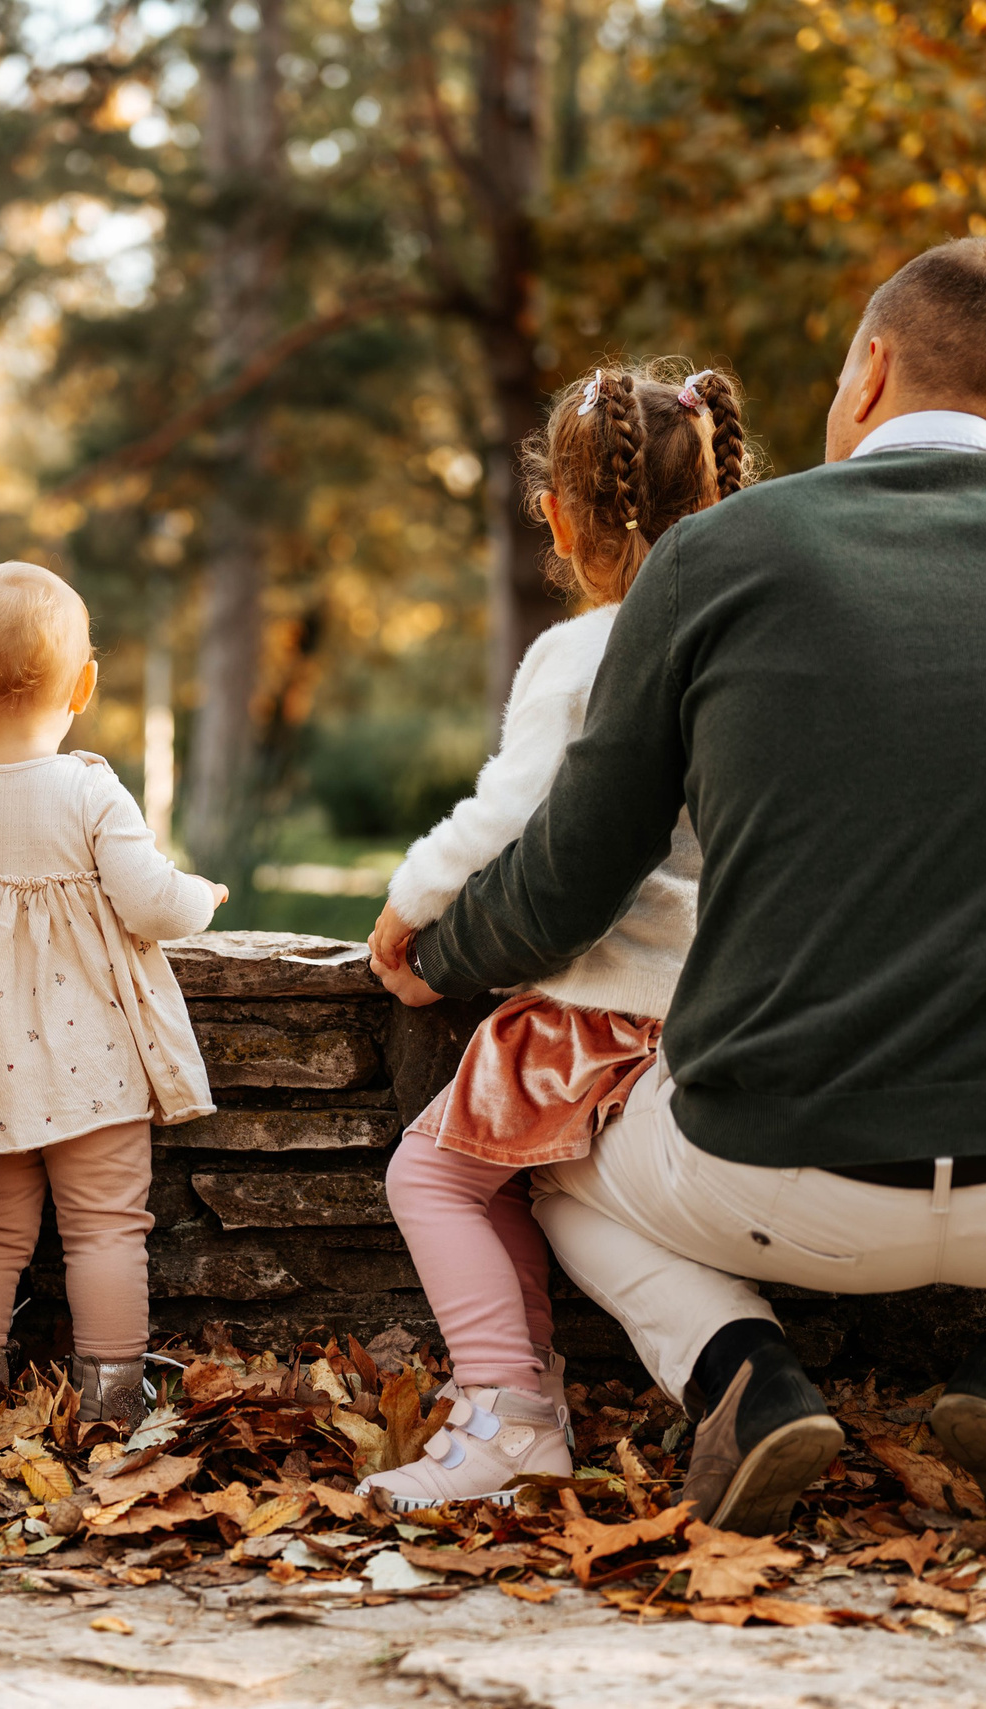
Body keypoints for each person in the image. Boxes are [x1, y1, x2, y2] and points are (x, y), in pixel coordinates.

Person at [373, 238, 986, 1536]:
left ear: (870, 369)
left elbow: (575, 870)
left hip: (776, 1185)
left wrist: (438, 949)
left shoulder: (718, 556)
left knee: (550, 1155)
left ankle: (740, 1373)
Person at [355, 359, 745, 1509]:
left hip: (600, 1011)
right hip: (719, 997)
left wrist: (412, 901)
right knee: (498, 1183)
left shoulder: (578, 655)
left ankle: (511, 1409)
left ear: (561, 520)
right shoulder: (741, 644)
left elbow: (510, 812)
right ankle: (528, 1393)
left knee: (430, 1179)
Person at [0, 562, 227, 1426]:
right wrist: (201, 897)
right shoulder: (89, 789)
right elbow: (147, 900)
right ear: (87, 684)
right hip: (92, 1066)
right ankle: (110, 1393)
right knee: (106, 1227)